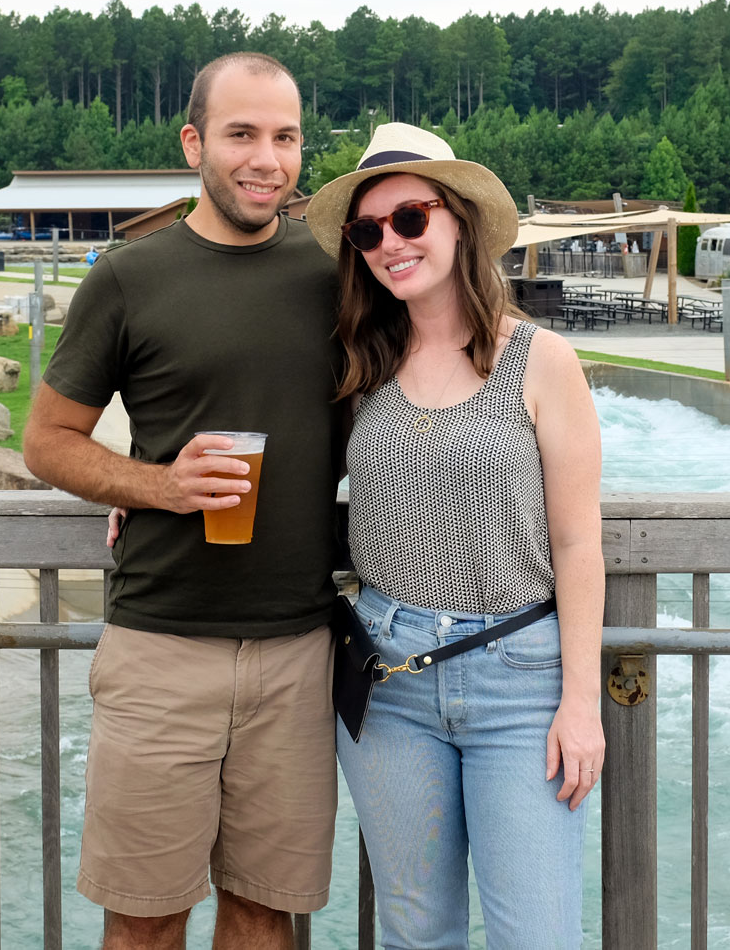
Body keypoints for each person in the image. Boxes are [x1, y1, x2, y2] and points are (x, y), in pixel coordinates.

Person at [23, 52, 342, 950]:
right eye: (242, 134)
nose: (266, 159)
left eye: (285, 138)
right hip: (159, 647)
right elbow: (47, 442)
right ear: (195, 142)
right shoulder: (129, 277)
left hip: (298, 647)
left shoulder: (334, 271)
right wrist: (158, 485)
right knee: (146, 917)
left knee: (262, 911)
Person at [305, 123, 606, 947]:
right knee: (415, 934)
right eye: (367, 231)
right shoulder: (360, 363)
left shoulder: (542, 360)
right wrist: (153, 489)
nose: (389, 243)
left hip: (522, 678)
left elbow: (580, 543)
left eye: (411, 217)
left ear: (460, 220)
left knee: (537, 934)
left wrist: (581, 702)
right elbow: (277, 457)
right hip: (388, 678)